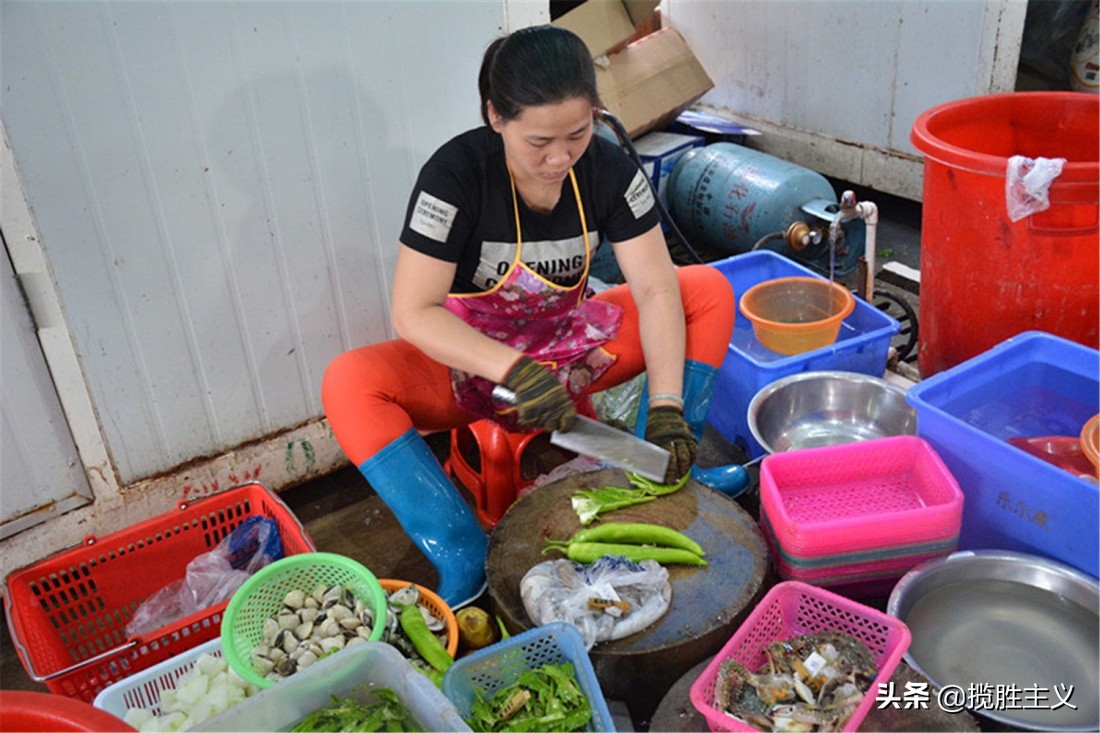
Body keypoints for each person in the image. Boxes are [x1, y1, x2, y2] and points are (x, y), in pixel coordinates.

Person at [322, 24, 735, 609]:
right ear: (496, 117)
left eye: (578, 133)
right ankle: (461, 549)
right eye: (539, 141)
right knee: (348, 381)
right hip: (475, 368)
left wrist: (666, 406)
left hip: (573, 351)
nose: (560, 157)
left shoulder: (609, 170)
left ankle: (668, 466)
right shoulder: (455, 176)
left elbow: (657, 291)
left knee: (707, 289)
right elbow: (414, 311)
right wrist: (514, 372)